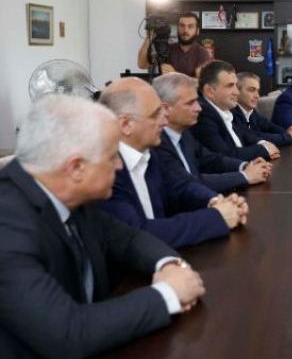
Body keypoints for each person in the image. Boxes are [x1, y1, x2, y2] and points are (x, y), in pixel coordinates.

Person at [0, 95, 205, 357]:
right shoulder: (7, 224)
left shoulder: (63, 191)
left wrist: (168, 266)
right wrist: (169, 294)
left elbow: (128, 239)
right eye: (112, 156)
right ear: (76, 168)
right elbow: (68, 333)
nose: (119, 165)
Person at [97, 77, 248, 248]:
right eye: (155, 115)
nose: (164, 121)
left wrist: (214, 201)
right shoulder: (105, 170)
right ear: (125, 124)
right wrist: (217, 217)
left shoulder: (150, 153)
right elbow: (138, 234)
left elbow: (180, 185)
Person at [152, 72, 271, 193]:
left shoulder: (184, 134)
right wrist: (245, 176)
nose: (198, 108)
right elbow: (187, 183)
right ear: (166, 108)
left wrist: (245, 166)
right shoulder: (156, 142)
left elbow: (210, 159)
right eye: (190, 103)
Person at [192, 60, 280, 161]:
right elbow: (225, 155)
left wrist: (263, 143)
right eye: (230, 86)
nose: (237, 92)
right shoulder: (202, 115)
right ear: (210, 91)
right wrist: (264, 149)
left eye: (235, 85)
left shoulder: (225, 110)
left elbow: (244, 134)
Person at [233, 71, 292, 146]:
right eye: (252, 90)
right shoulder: (232, 113)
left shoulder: (252, 112)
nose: (257, 96)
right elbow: (252, 136)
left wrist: (288, 132)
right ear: (237, 91)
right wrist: (289, 137)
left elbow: (269, 126)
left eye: (258, 91)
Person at [137, 12, 212, 77]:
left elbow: (200, 82)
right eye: (182, 25)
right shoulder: (168, 48)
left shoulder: (202, 53)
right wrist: (149, 37)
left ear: (197, 31)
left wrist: (175, 75)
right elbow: (142, 65)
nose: (185, 30)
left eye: (190, 26)